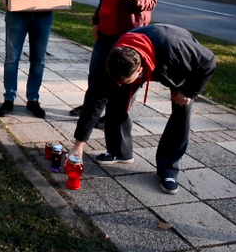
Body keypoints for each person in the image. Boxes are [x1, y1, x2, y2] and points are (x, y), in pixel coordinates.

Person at [70, 24, 216, 194]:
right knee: (116, 101)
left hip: (176, 62)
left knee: (181, 113)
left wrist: (188, 91)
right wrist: (78, 144)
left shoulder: (176, 50)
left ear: (139, 71)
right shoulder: (112, 60)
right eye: (115, 79)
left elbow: (209, 61)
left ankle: (168, 169)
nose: (117, 83)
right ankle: (120, 151)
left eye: (122, 80)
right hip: (143, 50)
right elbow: (94, 103)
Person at [69, 0, 157, 141]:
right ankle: (92, 110)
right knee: (96, 76)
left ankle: (112, 117)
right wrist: (95, 22)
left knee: (121, 80)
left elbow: (151, 0)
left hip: (126, 37)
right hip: (104, 34)